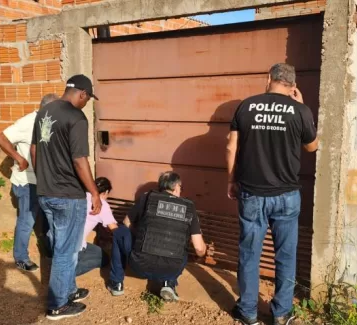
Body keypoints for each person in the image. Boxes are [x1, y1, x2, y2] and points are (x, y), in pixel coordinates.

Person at [226, 63, 318, 325]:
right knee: (286, 255)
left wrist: (231, 180)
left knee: (249, 254)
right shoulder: (300, 110)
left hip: (252, 194)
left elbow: (231, 147)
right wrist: (303, 107)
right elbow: (312, 147)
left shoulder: (246, 106)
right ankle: (281, 314)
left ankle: (248, 312)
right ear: (292, 85)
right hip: (287, 195)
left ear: (269, 79)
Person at [30, 74, 102, 321]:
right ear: (82, 94)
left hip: (46, 193)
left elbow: (34, 149)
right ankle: (57, 305)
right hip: (68, 196)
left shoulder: (44, 113)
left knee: (64, 248)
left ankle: (69, 291)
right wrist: (94, 192)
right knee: (65, 250)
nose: (86, 103)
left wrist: (43, 178)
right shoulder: (76, 117)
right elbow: (80, 160)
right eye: (88, 99)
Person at [106, 171, 207, 302]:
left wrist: (142, 235)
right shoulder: (189, 207)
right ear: (176, 186)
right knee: (180, 246)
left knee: (120, 232)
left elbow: (126, 223)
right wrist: (205, 249)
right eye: (181, 188)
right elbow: (199, 250)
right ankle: (168, 284)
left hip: (139, 266)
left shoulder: (147, 197)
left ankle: (116, 283)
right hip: (171, 269)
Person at [0, 93, 58, 272]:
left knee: (50, 218)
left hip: (44, 180)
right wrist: (19, 158)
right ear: (47, 108)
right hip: (27, 182)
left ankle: (50, 253)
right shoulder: (28, 122)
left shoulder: (48, 122)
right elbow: (1, 138)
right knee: (27, 220)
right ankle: (21, 257)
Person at [75, 177, 117, 276]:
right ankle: (71, 270)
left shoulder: (80, 195)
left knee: (98, 252)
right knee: (105, 259)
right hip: (75, 246)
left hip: (58, 240)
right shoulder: (102, 204)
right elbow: (114, 229)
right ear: (106, 192)